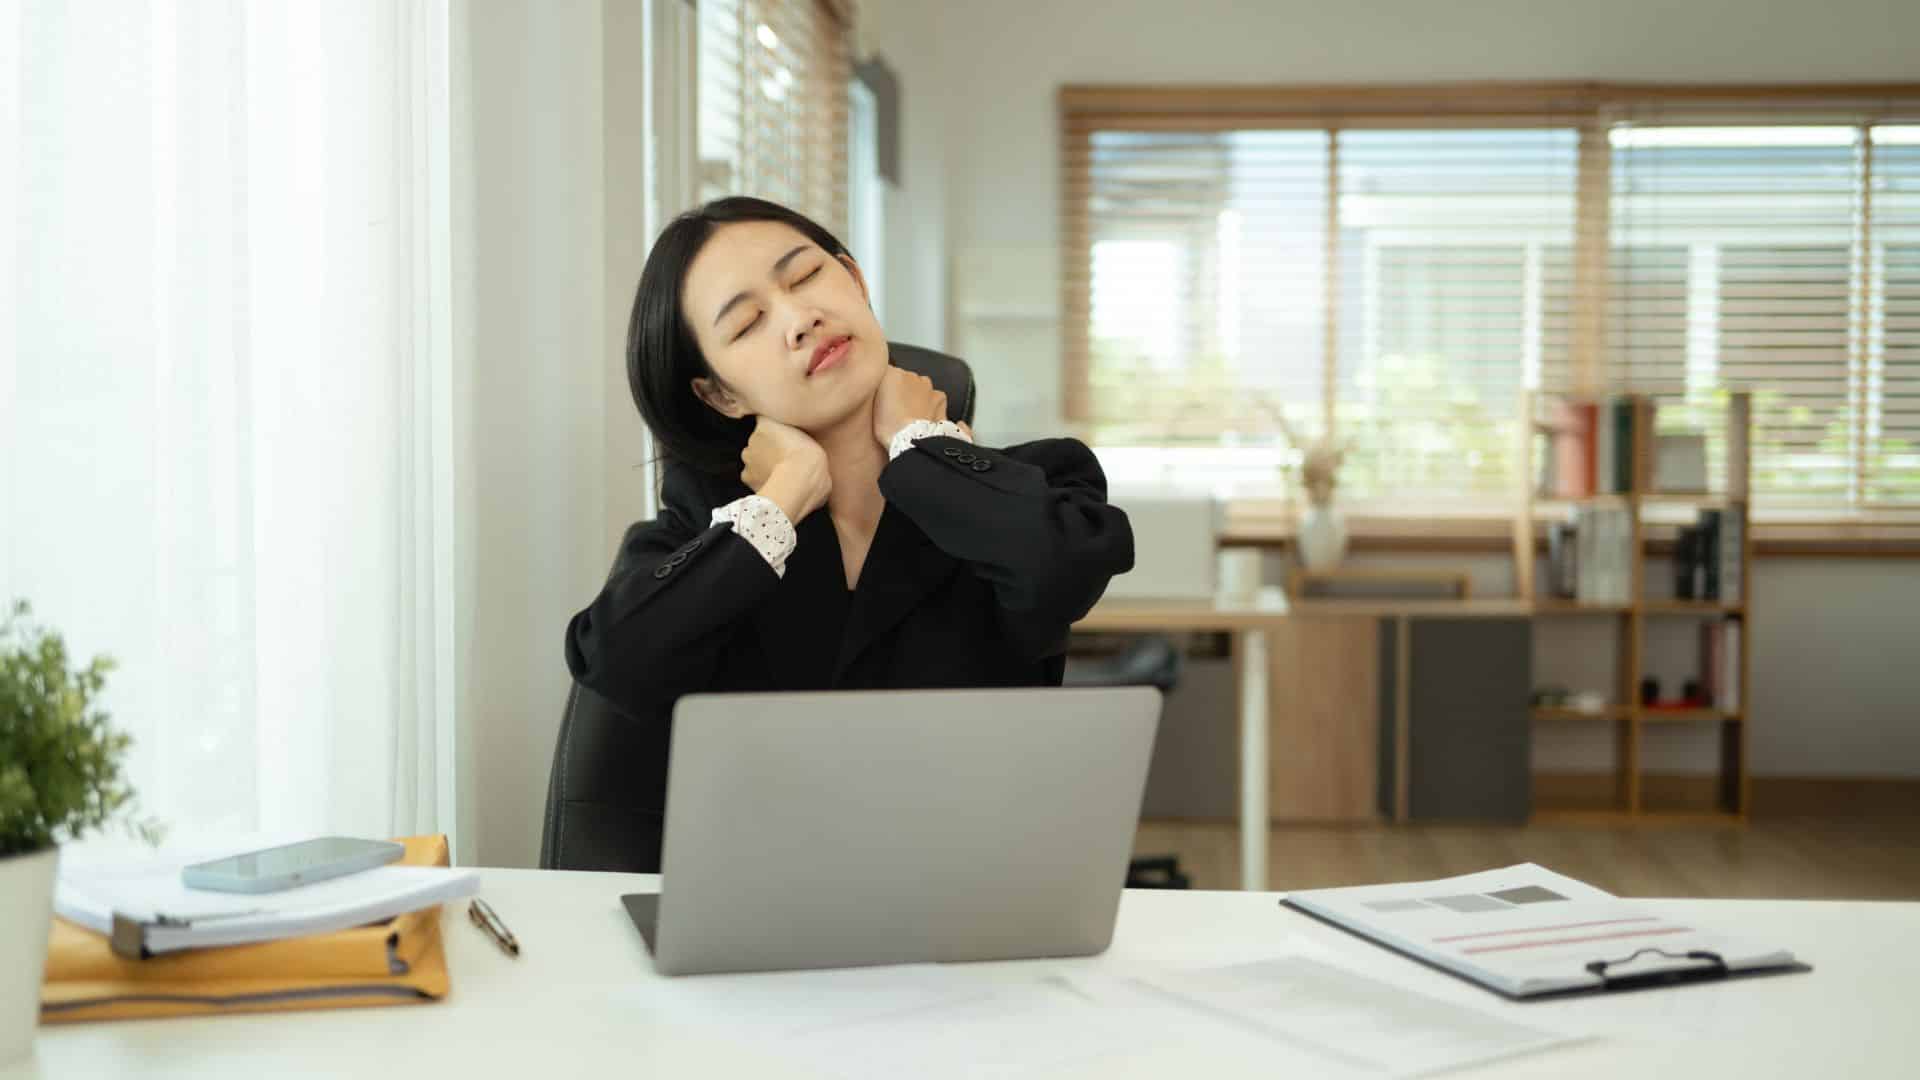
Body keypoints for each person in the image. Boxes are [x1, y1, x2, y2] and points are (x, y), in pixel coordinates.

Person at [563, 196, 1134, 861]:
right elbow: (614, 662)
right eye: (748, 322)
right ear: (722, 395)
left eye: (805, 278)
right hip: (760, 924)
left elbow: (1058, 567)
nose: (800, 317)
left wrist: (922, 447)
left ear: (856, 282)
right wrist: (782, 498)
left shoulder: (1030, 485)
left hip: (973, 913)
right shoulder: (715, 532)